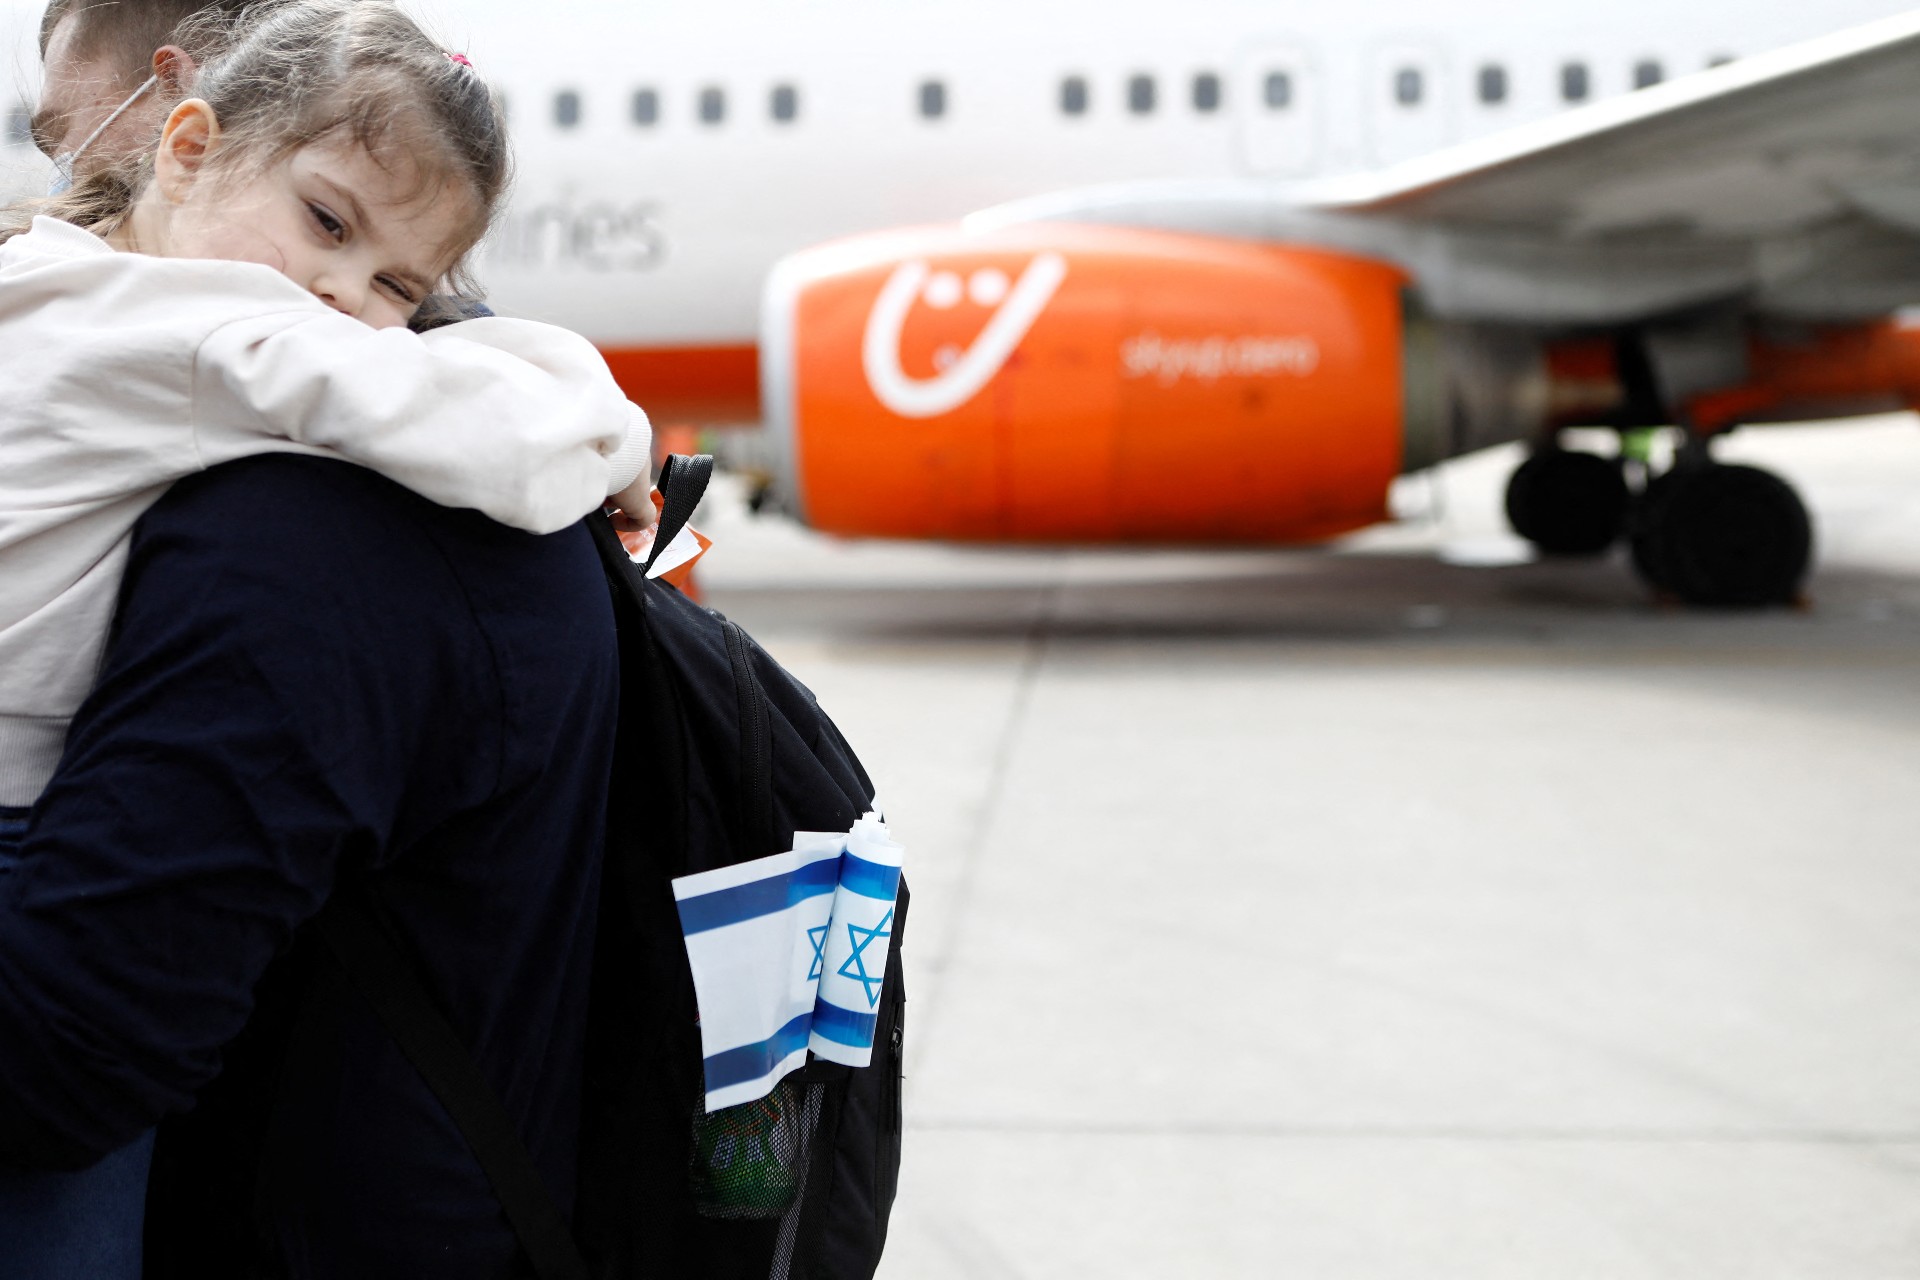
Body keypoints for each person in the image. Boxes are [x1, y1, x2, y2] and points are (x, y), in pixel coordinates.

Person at [0, 0, 651, 1273]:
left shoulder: (50, 285)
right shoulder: (201, 337)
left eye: (396, 286)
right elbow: (484, 432)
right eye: (328, 222)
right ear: (182, 141)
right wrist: (617, 434)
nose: (339, 296)